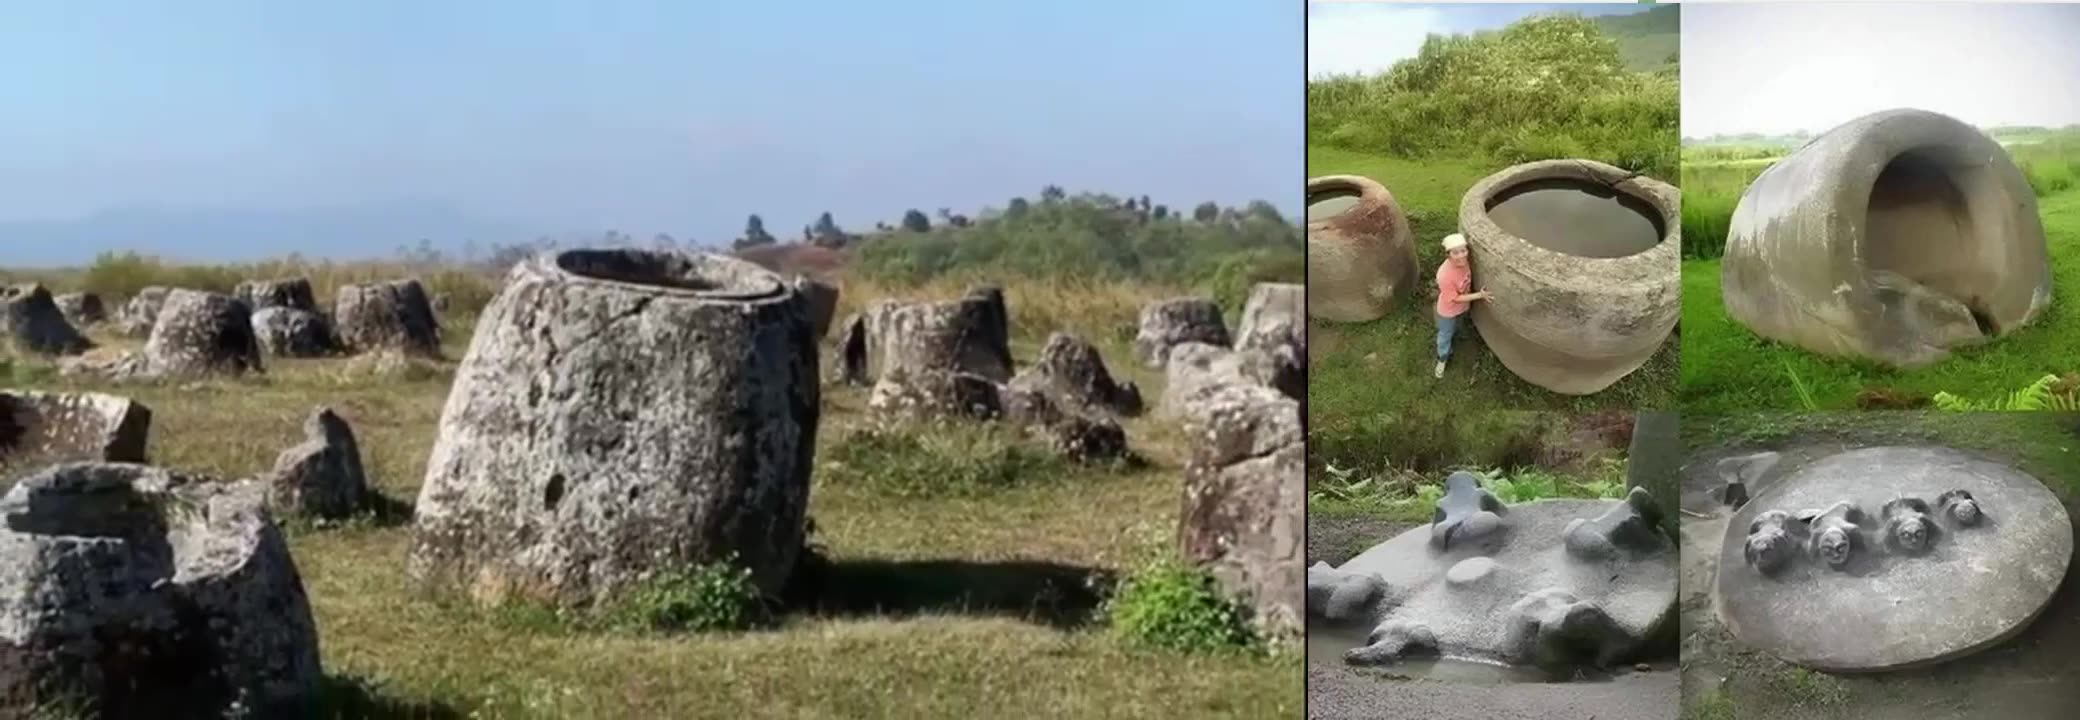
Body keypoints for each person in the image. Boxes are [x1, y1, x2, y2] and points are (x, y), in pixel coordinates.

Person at [1434, 233, 1492, 379]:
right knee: (1445, 335)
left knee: (1459, 325)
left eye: (1463, 251)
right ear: (1448, 255)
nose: (1461, 256)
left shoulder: (1465, 261)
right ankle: (1443, 358)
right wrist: (1480, 295)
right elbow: (1455, 298)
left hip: (1463, 307)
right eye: (1455, 253)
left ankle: (1459, 334)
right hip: (1448, 310)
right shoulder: (1444, 275)